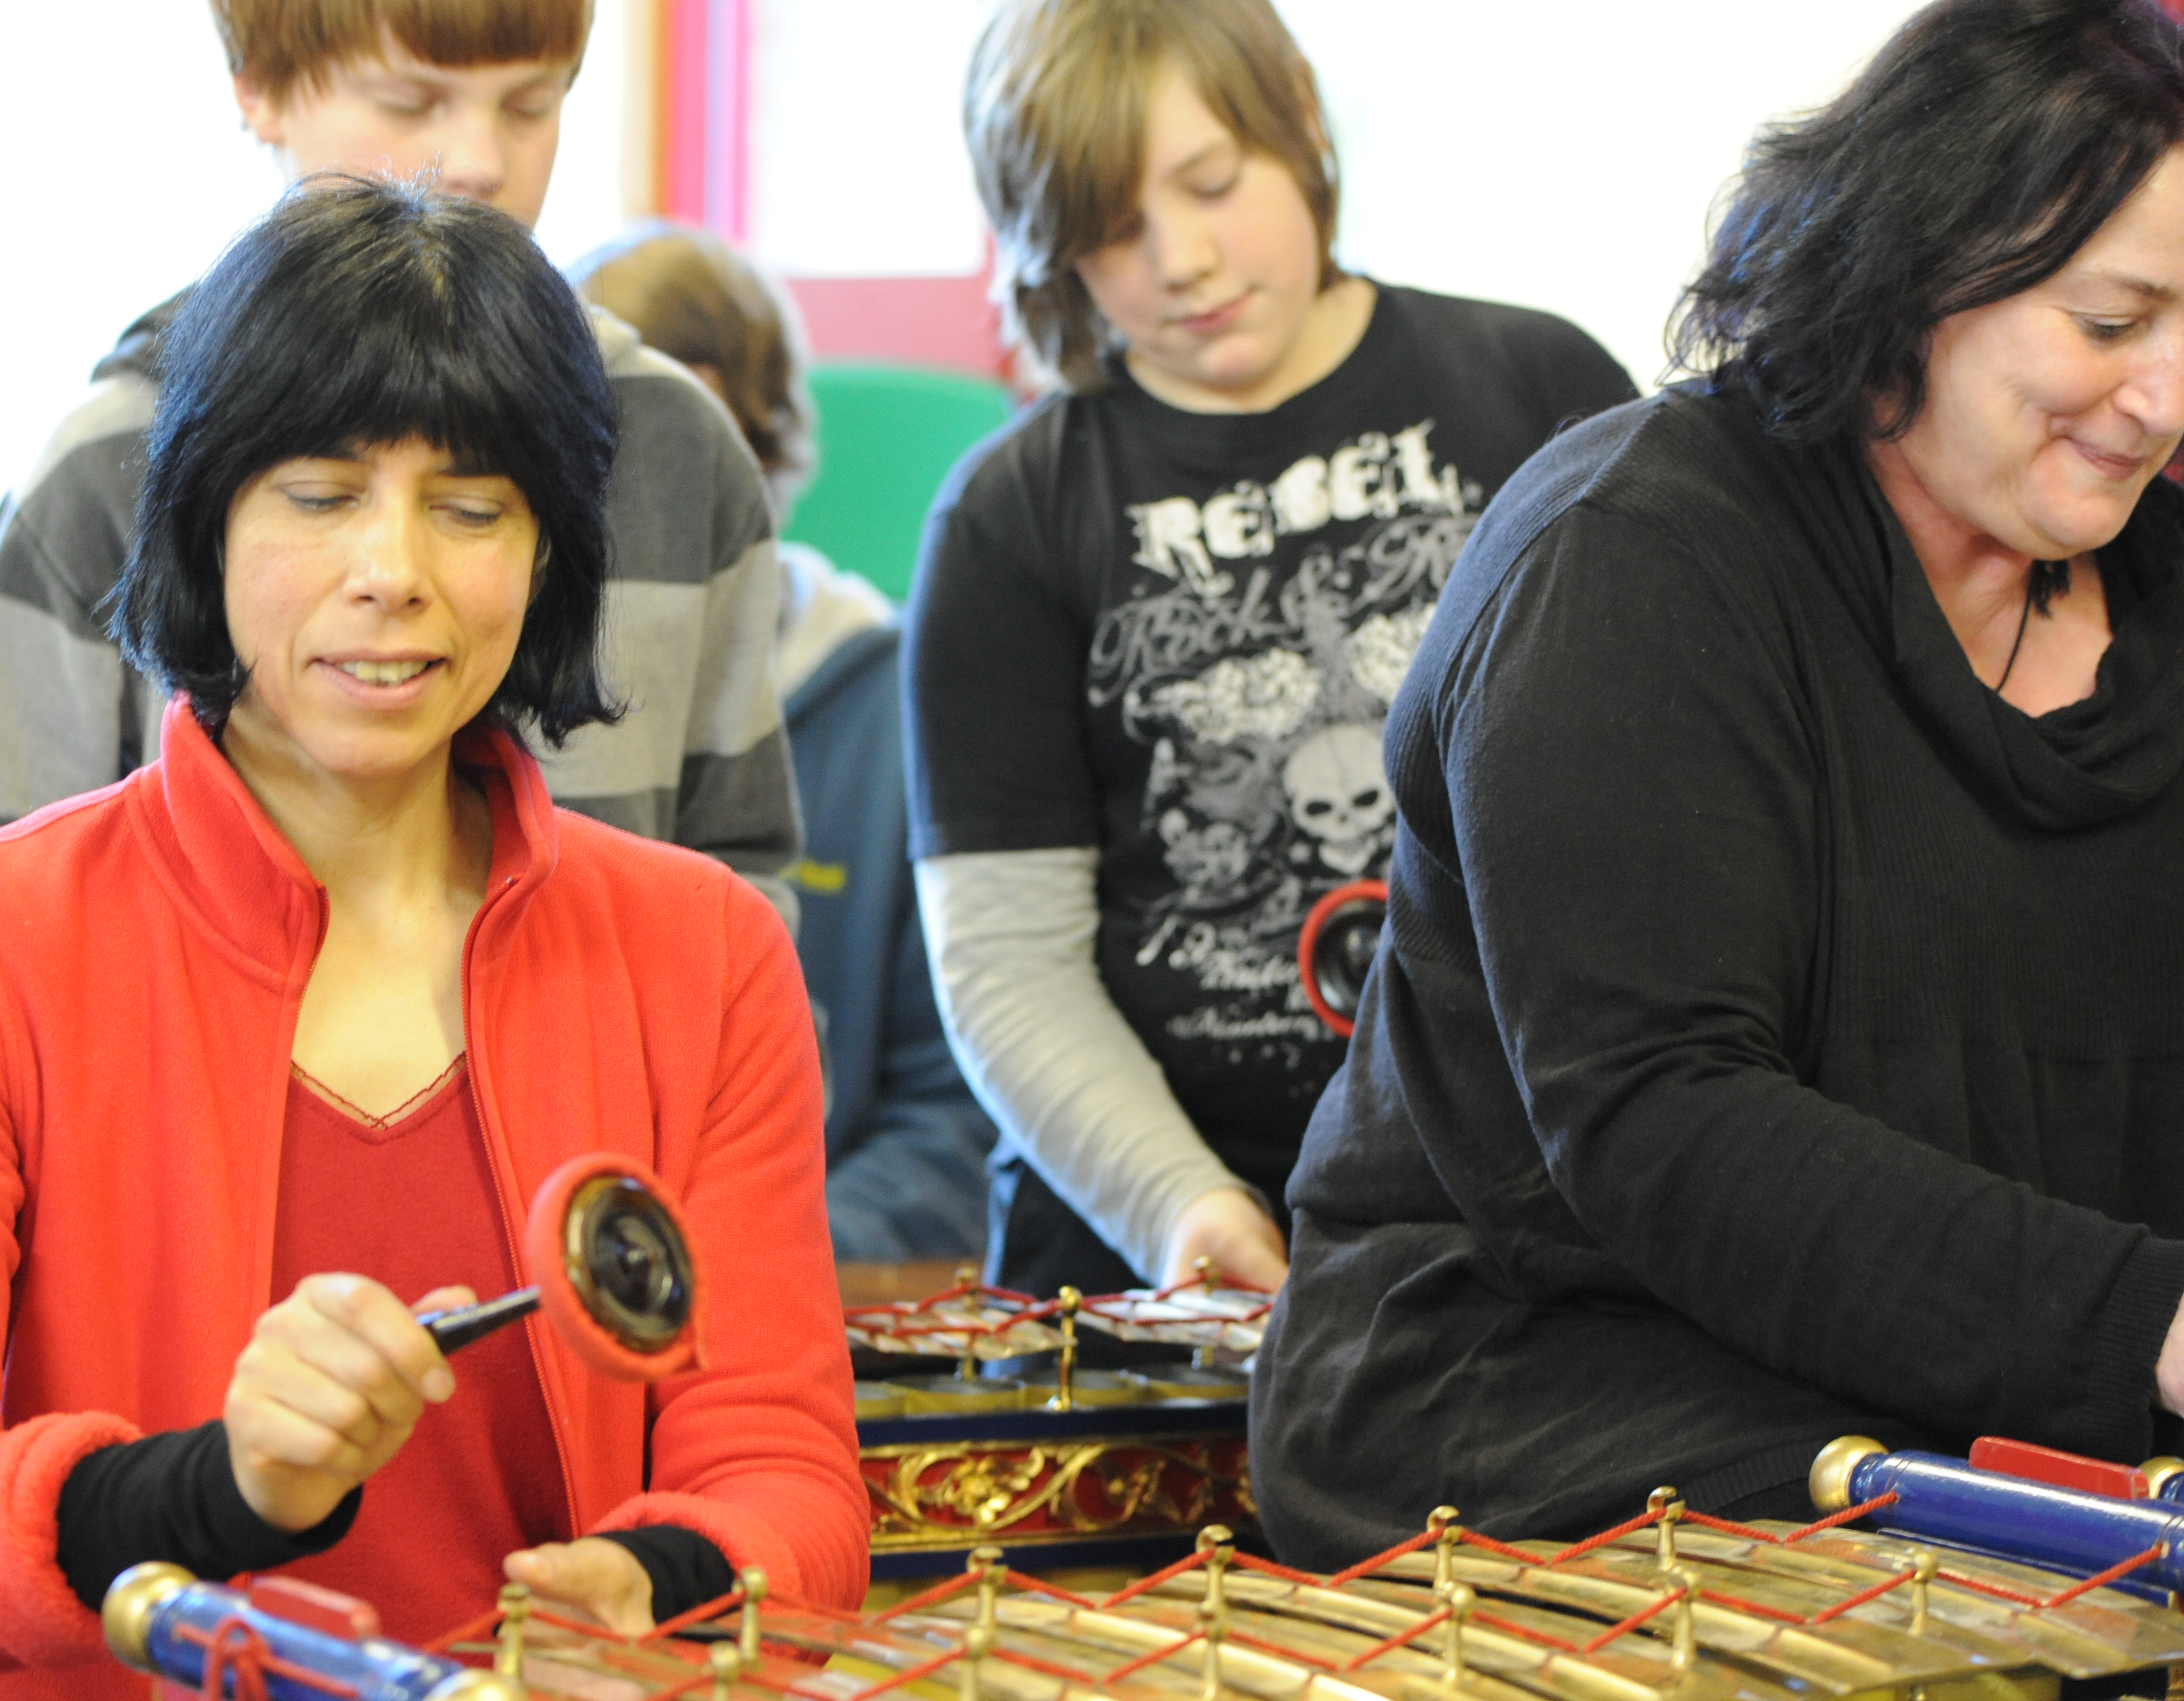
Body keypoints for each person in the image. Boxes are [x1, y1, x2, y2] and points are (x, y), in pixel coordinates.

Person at [0, 180, 867, 1697]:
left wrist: (655, 1586)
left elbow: (789, 1483)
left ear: (546, 553)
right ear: (204, 519)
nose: (393, 570)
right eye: (321, 492)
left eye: (471, 508)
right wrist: (218, 1492)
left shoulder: (705, 954)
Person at [1250, 0, 2184, 1562]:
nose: (2164, 398)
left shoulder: (2157, 590)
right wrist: (2146, 1325)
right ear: (1918, 266)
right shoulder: (1634, 552)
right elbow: (1664, 1119)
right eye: (2109, 324)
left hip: (1996, 1404)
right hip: (1550, 1393)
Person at [904, 0, 1638, 1308]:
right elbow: (1007, 965)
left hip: (1538, 1229)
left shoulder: (1538, 387)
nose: (1182, 261)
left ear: (1296, 122)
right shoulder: (1006, 516)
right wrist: (1173, 1201)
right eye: (1112, 228)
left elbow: (1669, 812)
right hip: (1152, 1263)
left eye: (1211, 185)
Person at [0, 0, 800, 930]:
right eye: (410, 102)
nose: (478, 162)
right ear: (260, 88)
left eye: (530, 106)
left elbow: (741, 888)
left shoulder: (681, 445)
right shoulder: (103, 463)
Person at [575, 223, 993, 1263]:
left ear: (766, 456)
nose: (655, 513)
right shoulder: (485, 703)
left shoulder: (901, 710)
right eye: (611, 465)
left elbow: (957, 1117)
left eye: (698, 457)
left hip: (812, 1279)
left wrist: (746, 1266)